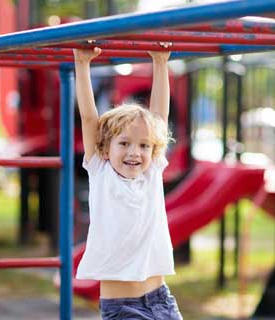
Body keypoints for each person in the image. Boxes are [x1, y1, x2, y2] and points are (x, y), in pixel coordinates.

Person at [73, 46, 183, 320]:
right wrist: (83, 64)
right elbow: (89, 118)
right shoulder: (101, 171)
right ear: (105, 147)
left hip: (161, 298)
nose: (134, 153)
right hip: (123, 306)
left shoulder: (152, 172)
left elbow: (159, 118)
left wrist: (160, 62)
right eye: (124, 143)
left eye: (144, 146)